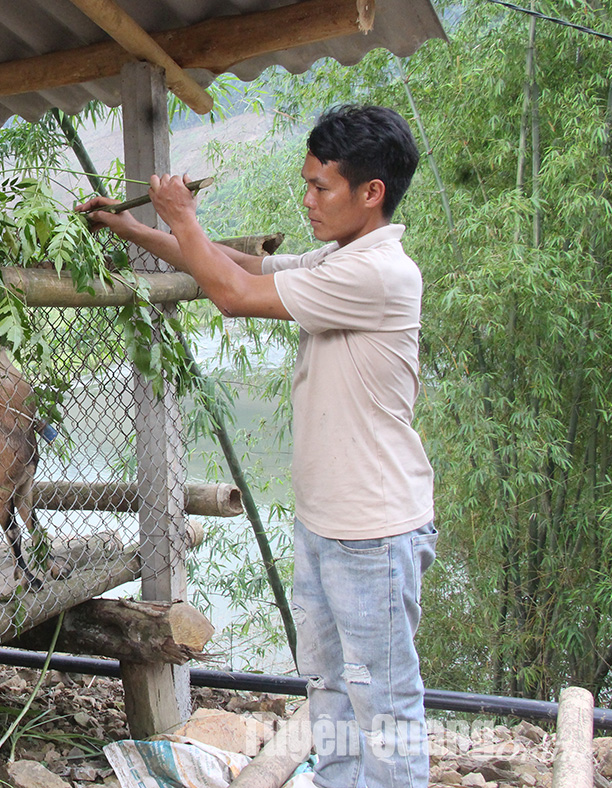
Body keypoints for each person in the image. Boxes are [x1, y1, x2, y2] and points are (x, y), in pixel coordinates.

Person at [77, 104, 437, 788]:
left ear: (371, 193)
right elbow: (240, 263)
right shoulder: (342, 259)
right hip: (328, 523)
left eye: (320, 188)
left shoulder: (381, 274)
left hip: (375, 530)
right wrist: (129, 224)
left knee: (382, 702)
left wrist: (180, 213)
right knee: (330, 687)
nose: (307, 201)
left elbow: (236, 293)